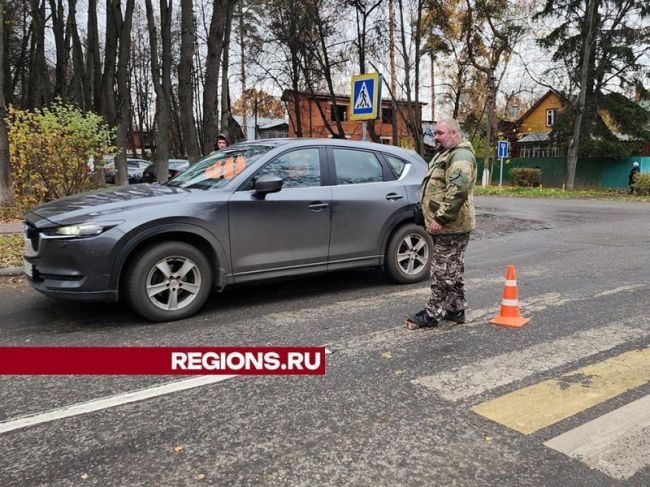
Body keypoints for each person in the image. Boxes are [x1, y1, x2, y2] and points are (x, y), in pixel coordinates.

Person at [406, 118, 477, 330]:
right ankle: (456, 309)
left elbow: (458, 190)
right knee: (452, 268)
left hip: (451, 225)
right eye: (435, 133)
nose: (435, 137)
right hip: (449, 224)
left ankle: (432, 313)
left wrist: (440, 218)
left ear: (454, 133)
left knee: (442, 271)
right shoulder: (447, 153)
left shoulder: (461, 155)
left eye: (439, 133)